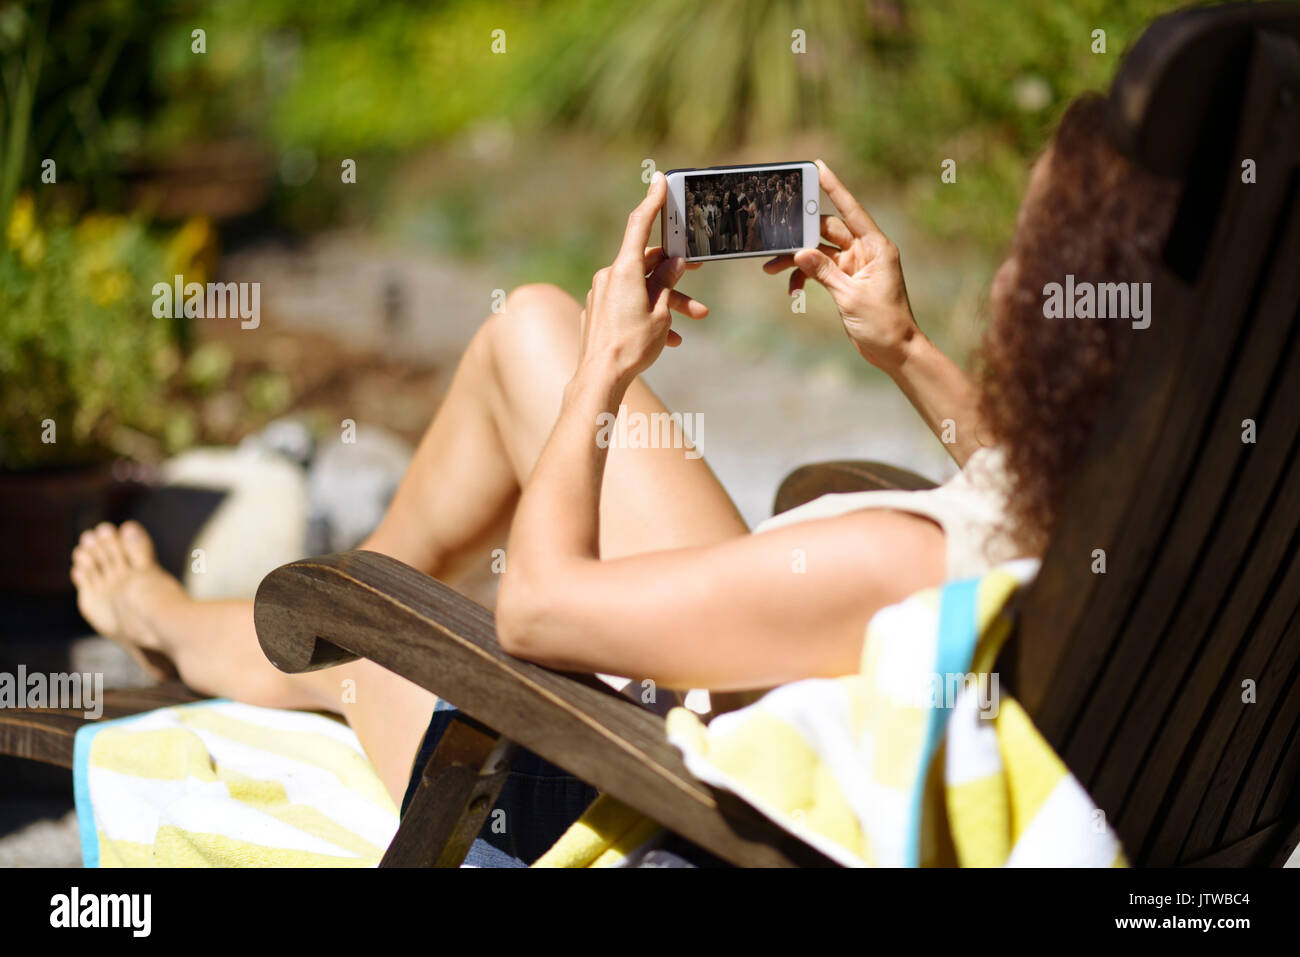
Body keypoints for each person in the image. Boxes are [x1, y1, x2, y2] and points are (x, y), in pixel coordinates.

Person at [70, 94, 1177, 863]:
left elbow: (542, 614)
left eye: (1026, 251)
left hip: (648, 803)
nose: (1005, 270)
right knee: (533, 327)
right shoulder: (1145, 519)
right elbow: (1020, 505)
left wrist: (607, 372)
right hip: (774, 671)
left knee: (359, 647)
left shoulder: (895, 563)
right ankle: (376, 585)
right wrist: (901, 348)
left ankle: (243, 625)